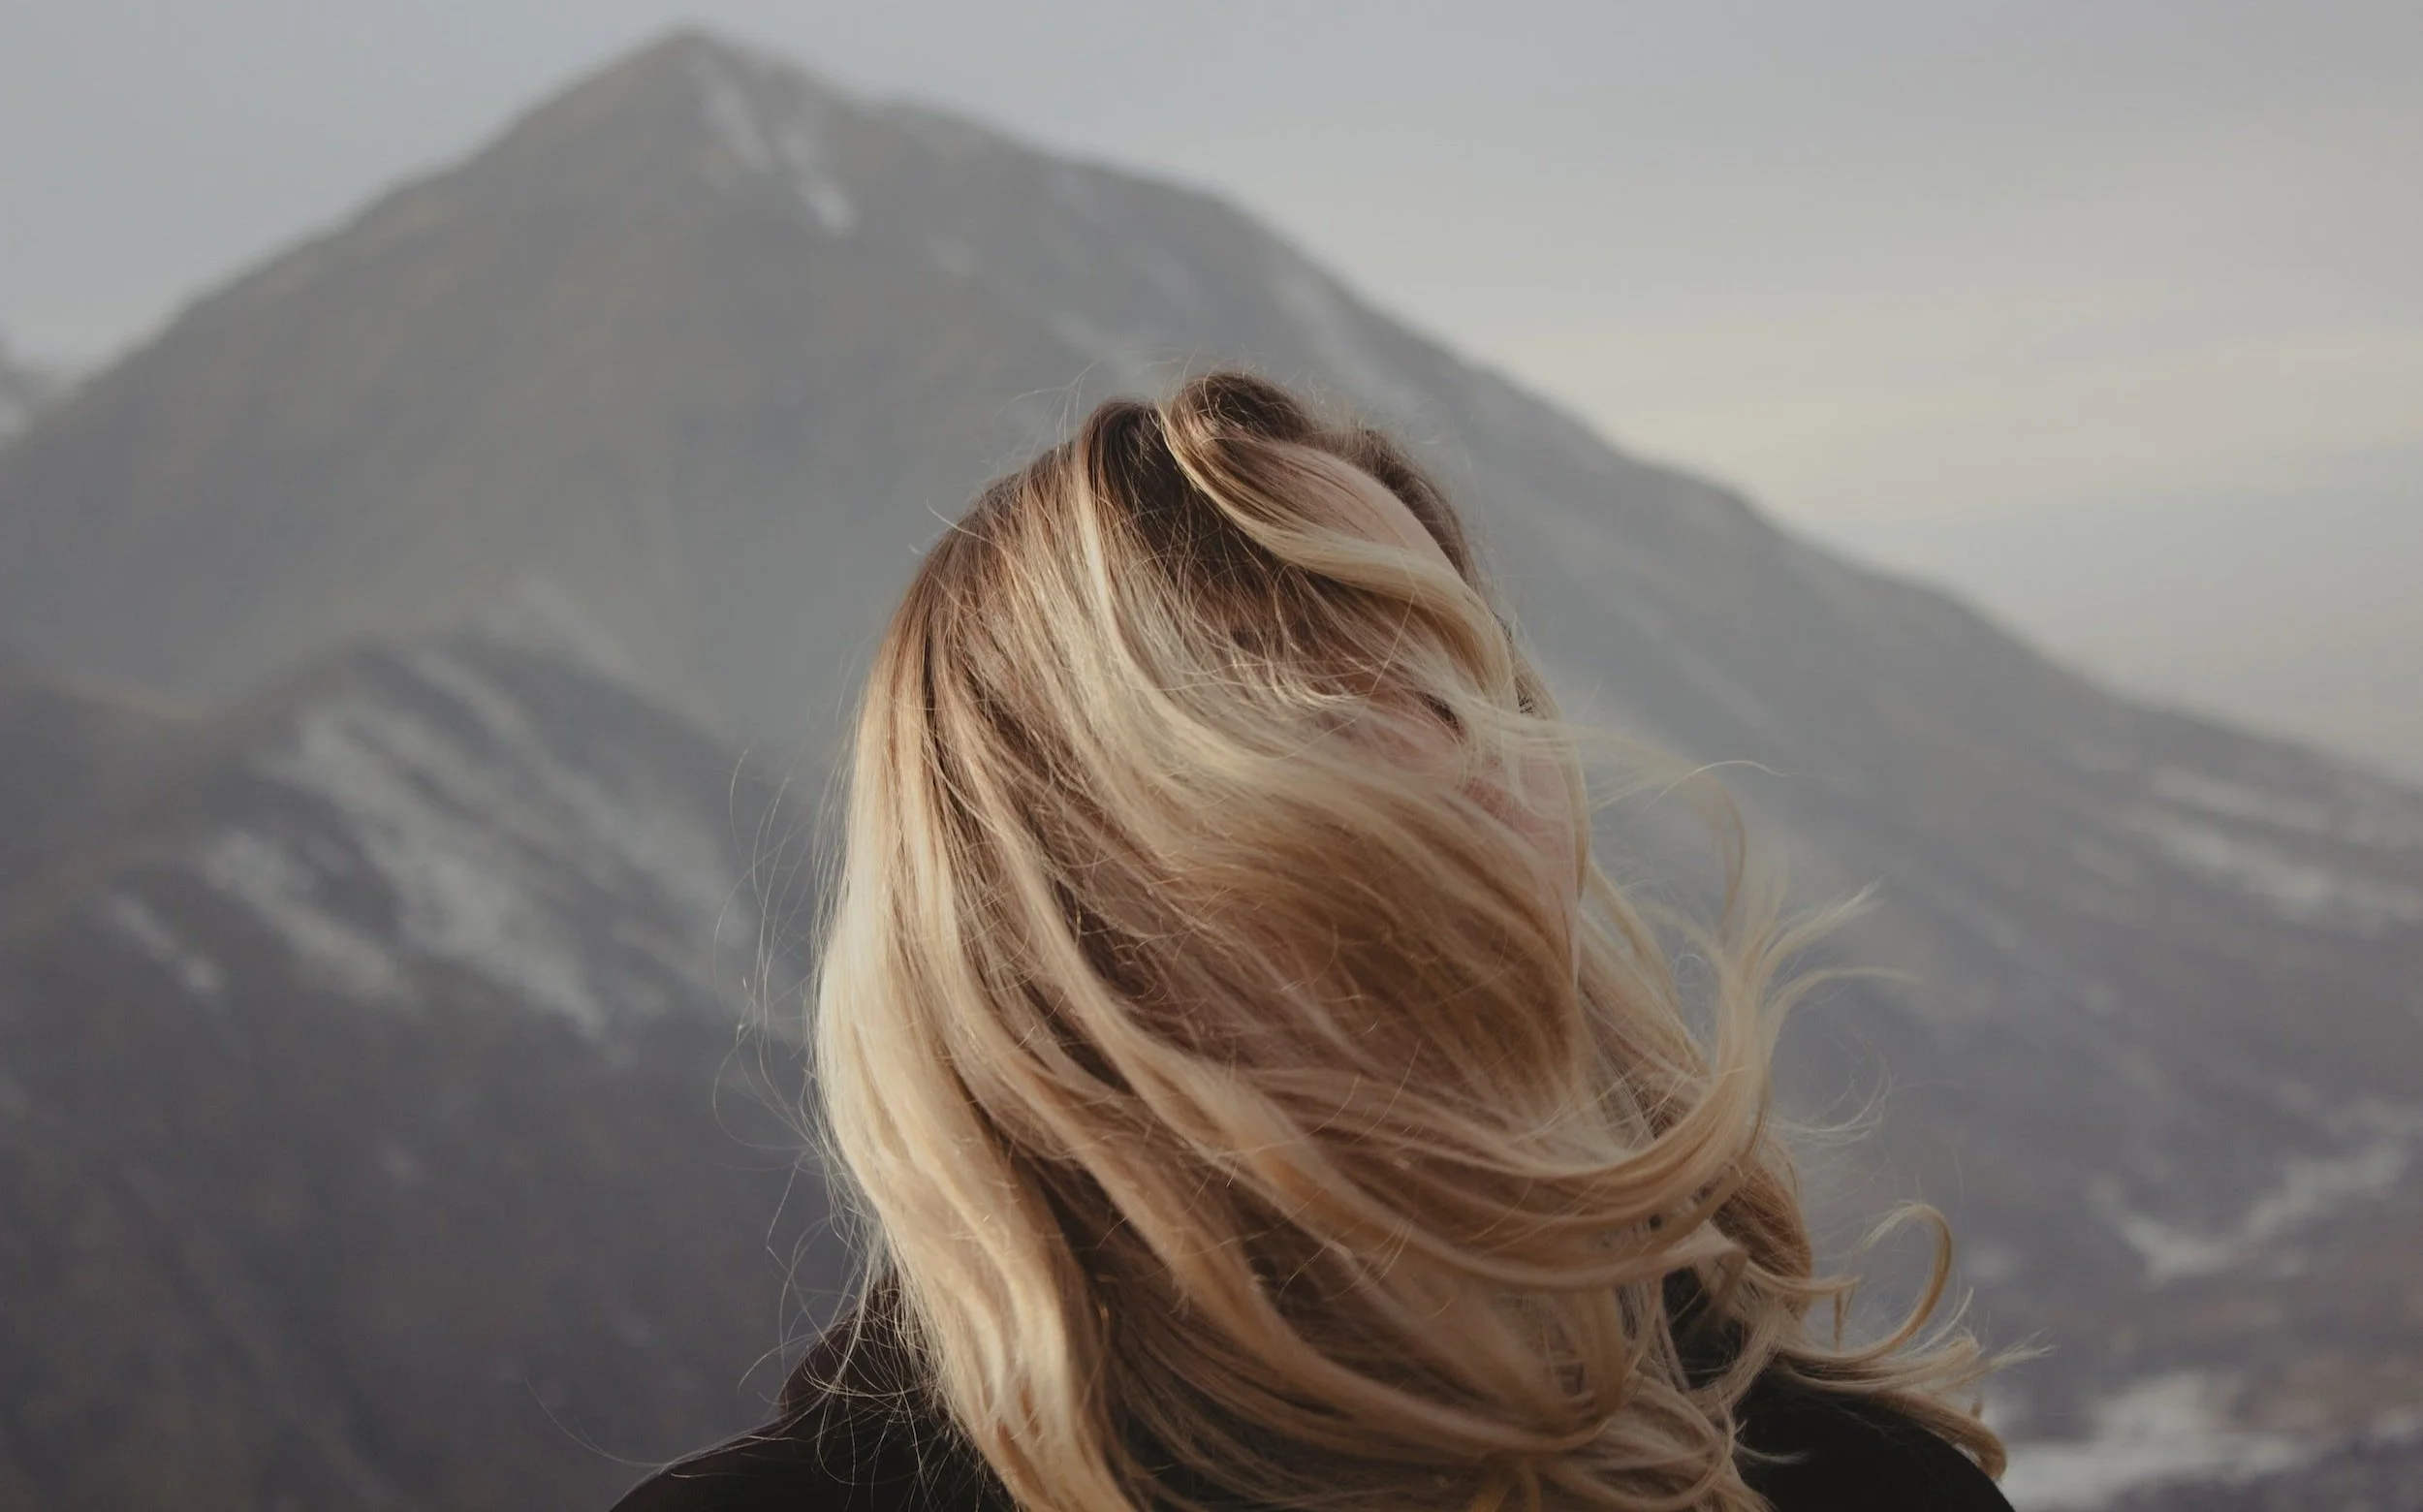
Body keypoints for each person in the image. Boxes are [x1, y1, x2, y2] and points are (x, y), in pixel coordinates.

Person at [614, 373, 2012, 1512]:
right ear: (1040, 899)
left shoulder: (1860, 1490)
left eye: (1462, 674)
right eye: (1283, 689)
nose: (1454, 752)